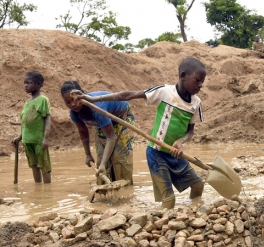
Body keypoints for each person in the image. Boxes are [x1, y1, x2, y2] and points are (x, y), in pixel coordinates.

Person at [73, 57, 206, 209]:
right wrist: (93, 98)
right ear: (183, 76)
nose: (200, 85)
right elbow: (128, 95)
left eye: (202, 81)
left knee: (198, 185)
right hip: (156, 154)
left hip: (175, 153)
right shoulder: (164, 92)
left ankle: (194, 210)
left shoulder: (196, 103)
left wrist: (181, 141)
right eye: (197, 80)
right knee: (169, 200)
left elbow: (190, 131)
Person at [60, 81, 135, 185]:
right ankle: (106, 189)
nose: (73, 104)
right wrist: (88, 155)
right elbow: (83, 133)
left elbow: (111, 137)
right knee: (101, 161)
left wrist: (103, 164)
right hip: (103, 124)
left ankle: (126, 191)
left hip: (122, 117)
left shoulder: (96, 107)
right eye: (68, 102)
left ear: (82, 93)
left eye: (74, 99)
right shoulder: (74, 113)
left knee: (119, 158)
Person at [11, 71, 52, 183]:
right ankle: (38, 188)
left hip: (39, 141)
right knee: (34, 166)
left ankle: (47, 192)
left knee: (44, 167)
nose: (25, 85)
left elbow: (47, 119)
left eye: (29, 83)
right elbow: (25, 123)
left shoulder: (42, 100)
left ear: (38, 84)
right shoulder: (27, 102)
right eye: (24, 83)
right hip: (27, 140)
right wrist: (19, 137)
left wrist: (46, 138)